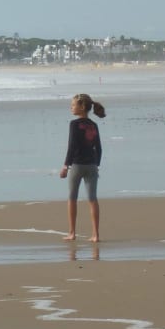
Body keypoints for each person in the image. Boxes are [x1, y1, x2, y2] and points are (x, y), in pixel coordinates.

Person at [59, 93, 105, 242]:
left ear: (82, 107)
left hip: (77, 166)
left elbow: (72, 146)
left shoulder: (74, 124)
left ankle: (72, 233)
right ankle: (96, 235)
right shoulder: (94, 125)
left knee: (72, 198)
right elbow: (99, 148)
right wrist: (97, 165)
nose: (71, 108)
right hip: (92, 165)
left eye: (73, 105)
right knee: (93, 199)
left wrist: (66, 165)